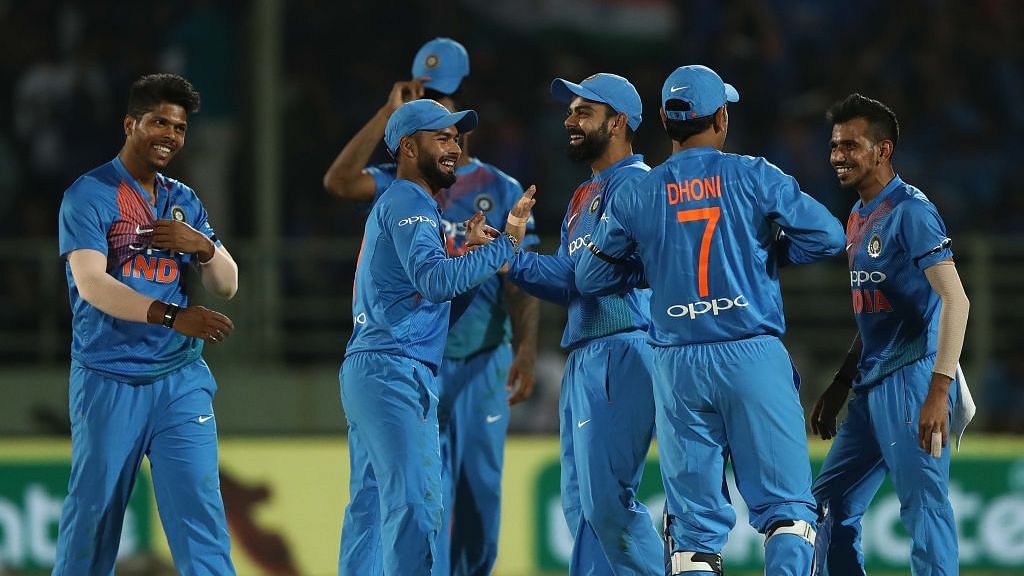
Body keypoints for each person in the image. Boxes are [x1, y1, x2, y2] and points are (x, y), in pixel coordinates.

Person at [576, 65, 846, 575]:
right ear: (721, 117)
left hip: (677, 364)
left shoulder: (638, 193)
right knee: (789, 512)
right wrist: (764, 254)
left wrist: (653, 263)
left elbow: (591, 276)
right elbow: (829, 236)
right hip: (751, 352)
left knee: (694, 534)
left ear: (663, 118)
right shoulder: (752, 174)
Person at [324, 38, 540, 576]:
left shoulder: (413, 199)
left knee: (374, 506)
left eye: (454, 132)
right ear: (407, 148)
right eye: (439, 135)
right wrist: (504, 244)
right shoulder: (406, 199)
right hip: (399, 367)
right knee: (418, 505)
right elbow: (434, 280)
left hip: (408, 361)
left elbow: (428, 279)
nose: (452, 142)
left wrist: (470, 251)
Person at [54, 73, 239, 575]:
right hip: (108, 378)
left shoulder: (183, 199)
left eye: (178, 128)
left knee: (202, 516)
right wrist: (175, 316)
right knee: (92, 521)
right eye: (159, 122)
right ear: (131, 123)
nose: (169, 136)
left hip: (179, 382)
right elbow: (92, 284)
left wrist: (202, 246)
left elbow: (226, 284)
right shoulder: (88, 195)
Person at [504, 72, 664, 575]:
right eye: (570, 110)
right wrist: (508, 251)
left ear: (617, 122)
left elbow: (598, 280)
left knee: (607, 506)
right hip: (586, 355)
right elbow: (568, 279)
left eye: (583, 112)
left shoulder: (639, 185)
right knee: (581, 508)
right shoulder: (583, 195)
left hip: (623, 346)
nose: (569, 121)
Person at [809, 93, 971, 575]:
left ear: (883, 150)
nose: (838, 156)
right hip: (871, 386)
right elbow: (874, 316)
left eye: (851, 146)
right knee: (827, 505)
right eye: (835, 146)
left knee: (924, 509)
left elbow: (956, 300)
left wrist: (939, 389)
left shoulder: (911, 212)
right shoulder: (858, 217)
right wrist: (841, 383)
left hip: (913, 380)